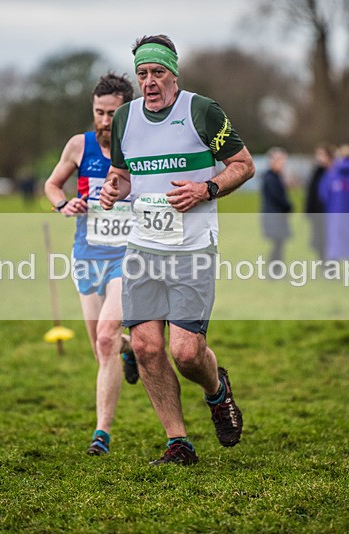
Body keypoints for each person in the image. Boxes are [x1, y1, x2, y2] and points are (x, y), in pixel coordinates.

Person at [99, 34, 254, 466]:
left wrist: (207, 188)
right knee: (146, 348)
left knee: (186, 353)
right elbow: (123, 176)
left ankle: (217, 392)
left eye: (157, 73)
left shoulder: (202, 111)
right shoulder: (125, 118)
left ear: (173, 74)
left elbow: (244, 164)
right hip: (144, 248)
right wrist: (115, 189)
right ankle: (178, 443)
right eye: (142, 74)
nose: (149, 81)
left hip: (192, 249)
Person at [43, 73, 138, 457]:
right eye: (99, 112)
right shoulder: (79, 146)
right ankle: (128, 350)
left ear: (126, 113)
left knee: (104, 337)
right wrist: (64, 205)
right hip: (87, 254)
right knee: (103, 349)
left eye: (112, 114)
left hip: (127, 255)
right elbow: (52, 185)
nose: (104, 121)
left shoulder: (139, 146)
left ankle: (102, 434)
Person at [260, 147, 293, 274]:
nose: (283, 164)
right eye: (280, 161)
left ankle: (276, 271)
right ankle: (274, 271)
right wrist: (288, 206)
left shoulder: (275, 177)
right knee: (277, 245)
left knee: (279, 245)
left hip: (276, 215)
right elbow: (278, 198)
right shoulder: (271, 178)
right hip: (274, 216)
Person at [304, 144, 334, 260]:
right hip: (317, 213)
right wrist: (308, 210)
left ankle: (331, 266)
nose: (319, 158)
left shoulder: (333, 172)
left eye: (322, 155)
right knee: (319, 241)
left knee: (330, 240)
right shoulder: (316, 173)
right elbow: (311, 194)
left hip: (329, 212)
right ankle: (323, 264)